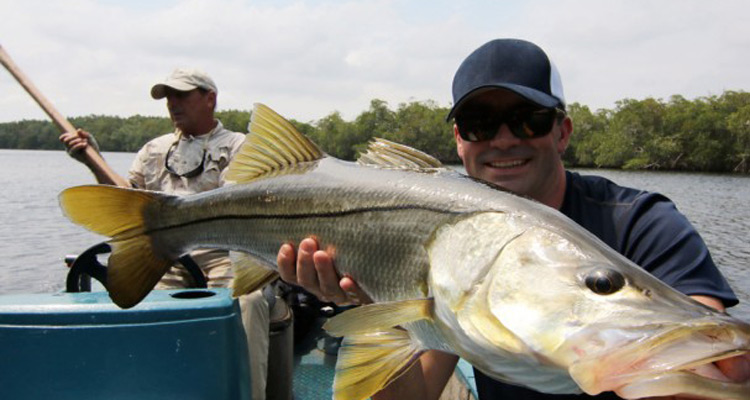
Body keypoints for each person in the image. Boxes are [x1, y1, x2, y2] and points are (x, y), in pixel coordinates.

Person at [275, 39, 750, 399]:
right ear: (460, 141)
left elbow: (716, 362)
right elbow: (411, 393)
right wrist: (364, 311)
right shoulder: (462, 251)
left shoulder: (644, 222)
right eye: (481, 123)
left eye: (527, 119)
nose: (502, 140)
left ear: (562, 132)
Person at [60, 68, 270, 400]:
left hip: (226, 256)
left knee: (249, 302)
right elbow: (127, 204)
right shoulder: (154, 150)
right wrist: (93, 159)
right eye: (168, 97)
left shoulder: (239, 146)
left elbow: (232, 203)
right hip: (165, 257)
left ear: (209, 99)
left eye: (182, 95)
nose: (173, 103)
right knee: (139, 306)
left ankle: (248, 394)